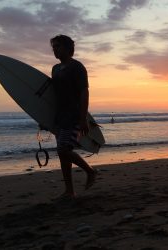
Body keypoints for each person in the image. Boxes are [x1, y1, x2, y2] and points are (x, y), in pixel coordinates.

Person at [50, 34, 96, 199]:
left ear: (68, 48)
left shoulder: (77, 67)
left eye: (58, 46)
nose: (55, 50)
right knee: (64, 154)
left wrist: (83, 118)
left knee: (63, 150)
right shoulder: (55, 69)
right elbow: (52, 96)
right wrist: (44, 118)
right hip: (60, 115)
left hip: (73, 114)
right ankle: (69, 191)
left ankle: (90, 171)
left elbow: (84, 92)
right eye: (53, 47)